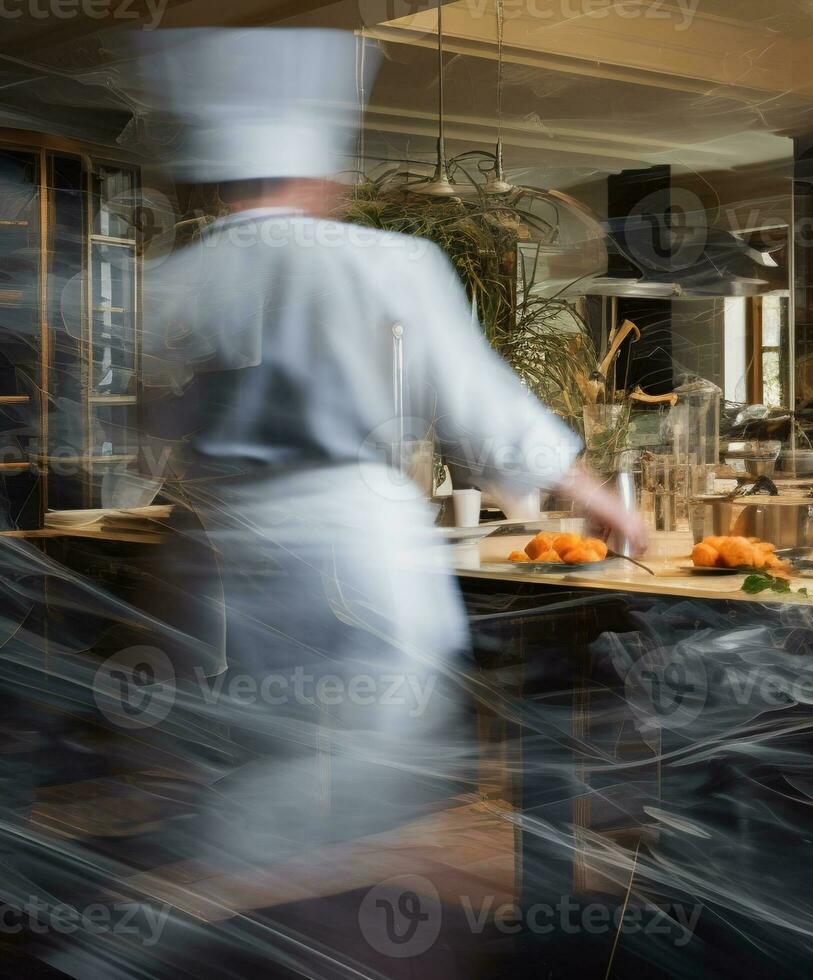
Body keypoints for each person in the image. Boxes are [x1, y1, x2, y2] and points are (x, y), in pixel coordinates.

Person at [126, 28, 645, 962]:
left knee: (245, 768)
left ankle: (237, 931)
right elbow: (486, 415)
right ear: (324, 169)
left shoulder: (175, 281)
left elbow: (148, 433)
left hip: (223, 556)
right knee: (371, 787)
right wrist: (599, 498)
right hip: (359, 560)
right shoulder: (388, 263)